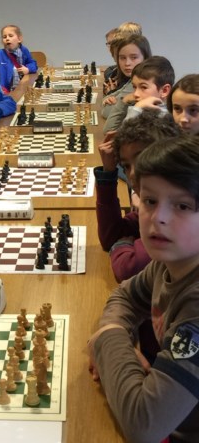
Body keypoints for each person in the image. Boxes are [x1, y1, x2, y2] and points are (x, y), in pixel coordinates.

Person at [88, 135, 199, 443]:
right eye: (150, 201)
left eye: (182, 206)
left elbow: (143, 424)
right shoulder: (170, 261)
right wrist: (116, 331)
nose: (158, 218)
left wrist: (107, 338)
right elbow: (125, 295)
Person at [95, 110, 181, 282]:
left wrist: (120, 244)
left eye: (142, 158)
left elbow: (128, 268)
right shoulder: (152, 201)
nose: (133, 173)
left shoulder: (179, 206)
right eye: (126, 165)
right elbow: (110, 235)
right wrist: (108, 172)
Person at [102, 34, 152, 132]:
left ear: (145, 57)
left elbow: (107, 112)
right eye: (122, 58)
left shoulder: (142, 82)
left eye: (134, 57)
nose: (127, 63)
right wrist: (112, 100)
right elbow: (105, 100)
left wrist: (121, 102)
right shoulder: (132, 79)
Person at [122, 56, 174, 121]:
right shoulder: (138, 106)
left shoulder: (166, 117)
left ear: (164, 91)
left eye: (144, 87)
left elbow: (128, 127)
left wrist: (136, 109)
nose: (135, 94)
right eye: (134, 87)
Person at [0, 24, 37, 93]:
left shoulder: (24, 51)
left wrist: (28, 69)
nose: (7, 39)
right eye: (4, 37)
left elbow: (33, 63)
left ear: (19, 39)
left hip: (21, 87)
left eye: (10, 36)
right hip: (5, 90)